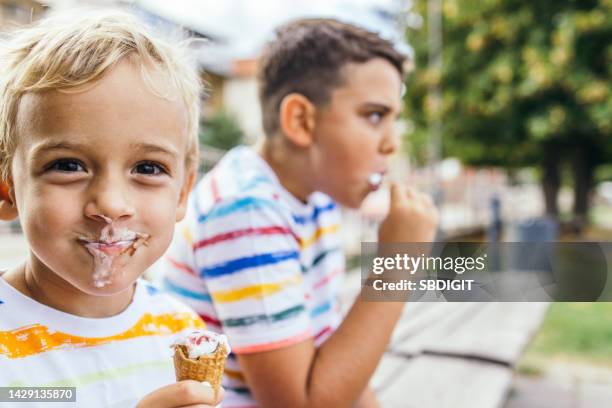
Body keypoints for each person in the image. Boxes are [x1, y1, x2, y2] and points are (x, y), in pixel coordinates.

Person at [162, 18, 438, 407]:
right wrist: (396, 265)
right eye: (375, 116)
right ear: (301, 121)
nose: (393, 143)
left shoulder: (317, 198)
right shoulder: (246, 212)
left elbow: (338, 360)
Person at [0, 10, 223, 407]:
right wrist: (376, 259)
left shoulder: (183, 333)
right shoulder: (255, 216)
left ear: (182, 193)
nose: (112, 204)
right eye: (67, 165)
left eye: (148, 168)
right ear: (8, 188)